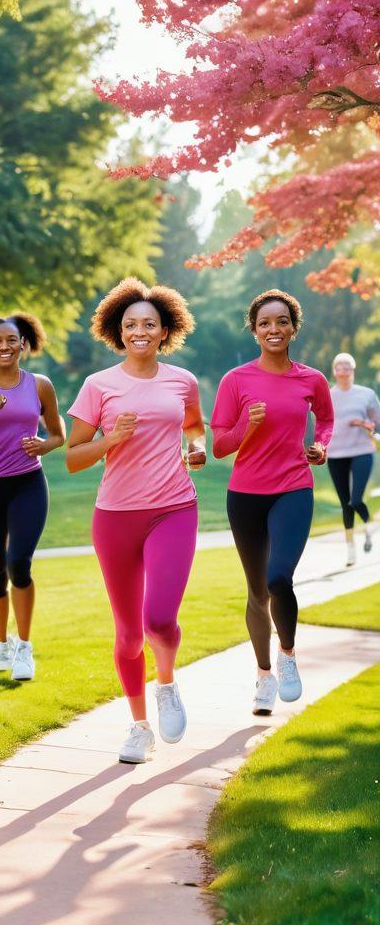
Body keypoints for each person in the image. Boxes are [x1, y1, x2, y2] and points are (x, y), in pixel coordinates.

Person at [65, 279, 205, 764]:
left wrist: (196, 448)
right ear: (117, 331)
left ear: (165, 330)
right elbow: (73, 458)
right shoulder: (98, 386)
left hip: (174, 509)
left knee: (159, 620)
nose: (139, 331)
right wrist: (110, 440)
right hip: (115, 518)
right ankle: (140, 726)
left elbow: (193, 425)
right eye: (130, 325)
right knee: (128, 636)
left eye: (149, 324)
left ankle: (166, 685)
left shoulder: (183, 381)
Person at [210, 289, 333, 715]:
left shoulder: (312, 379)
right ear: (255, 330)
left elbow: (326, 419)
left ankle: (288, 655)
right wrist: (246, 424)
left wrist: (321, 445)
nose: (273, 329)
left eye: (282, 321)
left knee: (279, 577)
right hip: (245, 495)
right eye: (265, 323)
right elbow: (220, 446)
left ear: (293, 329)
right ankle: (263, 676)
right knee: (257, 591)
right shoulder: (235, 380)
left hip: (293, 488)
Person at [0, 313, 64, 681]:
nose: (4, 346)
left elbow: (59, 435)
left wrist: (43, 445)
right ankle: (2, 643)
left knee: (19, 562)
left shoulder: (40, 385)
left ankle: (25, 647)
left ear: (23, 344)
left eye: (11, 340)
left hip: (27, 484)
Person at [327, 352, 379, 566]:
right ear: (334, 371)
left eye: (346, 367)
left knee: (355, 500)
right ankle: (350, 550)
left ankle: (367, 527)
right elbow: (321, 423)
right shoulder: (328, 395)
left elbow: (377, 424)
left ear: (353, 370)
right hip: (336, 454)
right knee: (345, 504)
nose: (343, 371)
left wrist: (368, 425)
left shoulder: (366, 394)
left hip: (362, 451)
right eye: (339, 368)